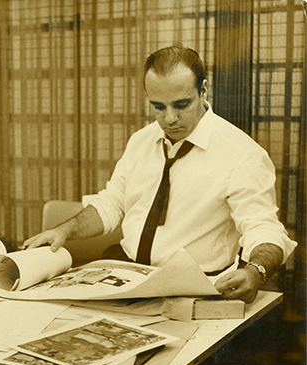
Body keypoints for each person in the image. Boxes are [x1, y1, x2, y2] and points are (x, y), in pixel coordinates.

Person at [22, 44, 296, 303]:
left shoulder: (242, 155)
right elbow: (112, 203)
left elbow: (263, 227)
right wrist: (64, 230)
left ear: (204, 90)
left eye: (181, 104)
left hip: (198, 288)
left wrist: (256, 270)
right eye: (159, 107)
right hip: (127, 277)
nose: (170, 118)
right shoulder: (141, 141)